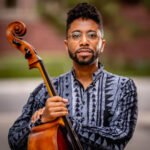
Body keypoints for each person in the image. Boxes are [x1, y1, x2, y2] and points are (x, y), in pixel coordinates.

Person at [8, 2, 138, 150]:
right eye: (76, 35)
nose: (84, 41)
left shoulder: (124, 87)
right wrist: (41, 120)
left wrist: (66, 122)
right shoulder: (45, 90)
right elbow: (14, 141)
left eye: (92, 35)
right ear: (66, 44)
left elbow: (118, 139)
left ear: (102, 44)